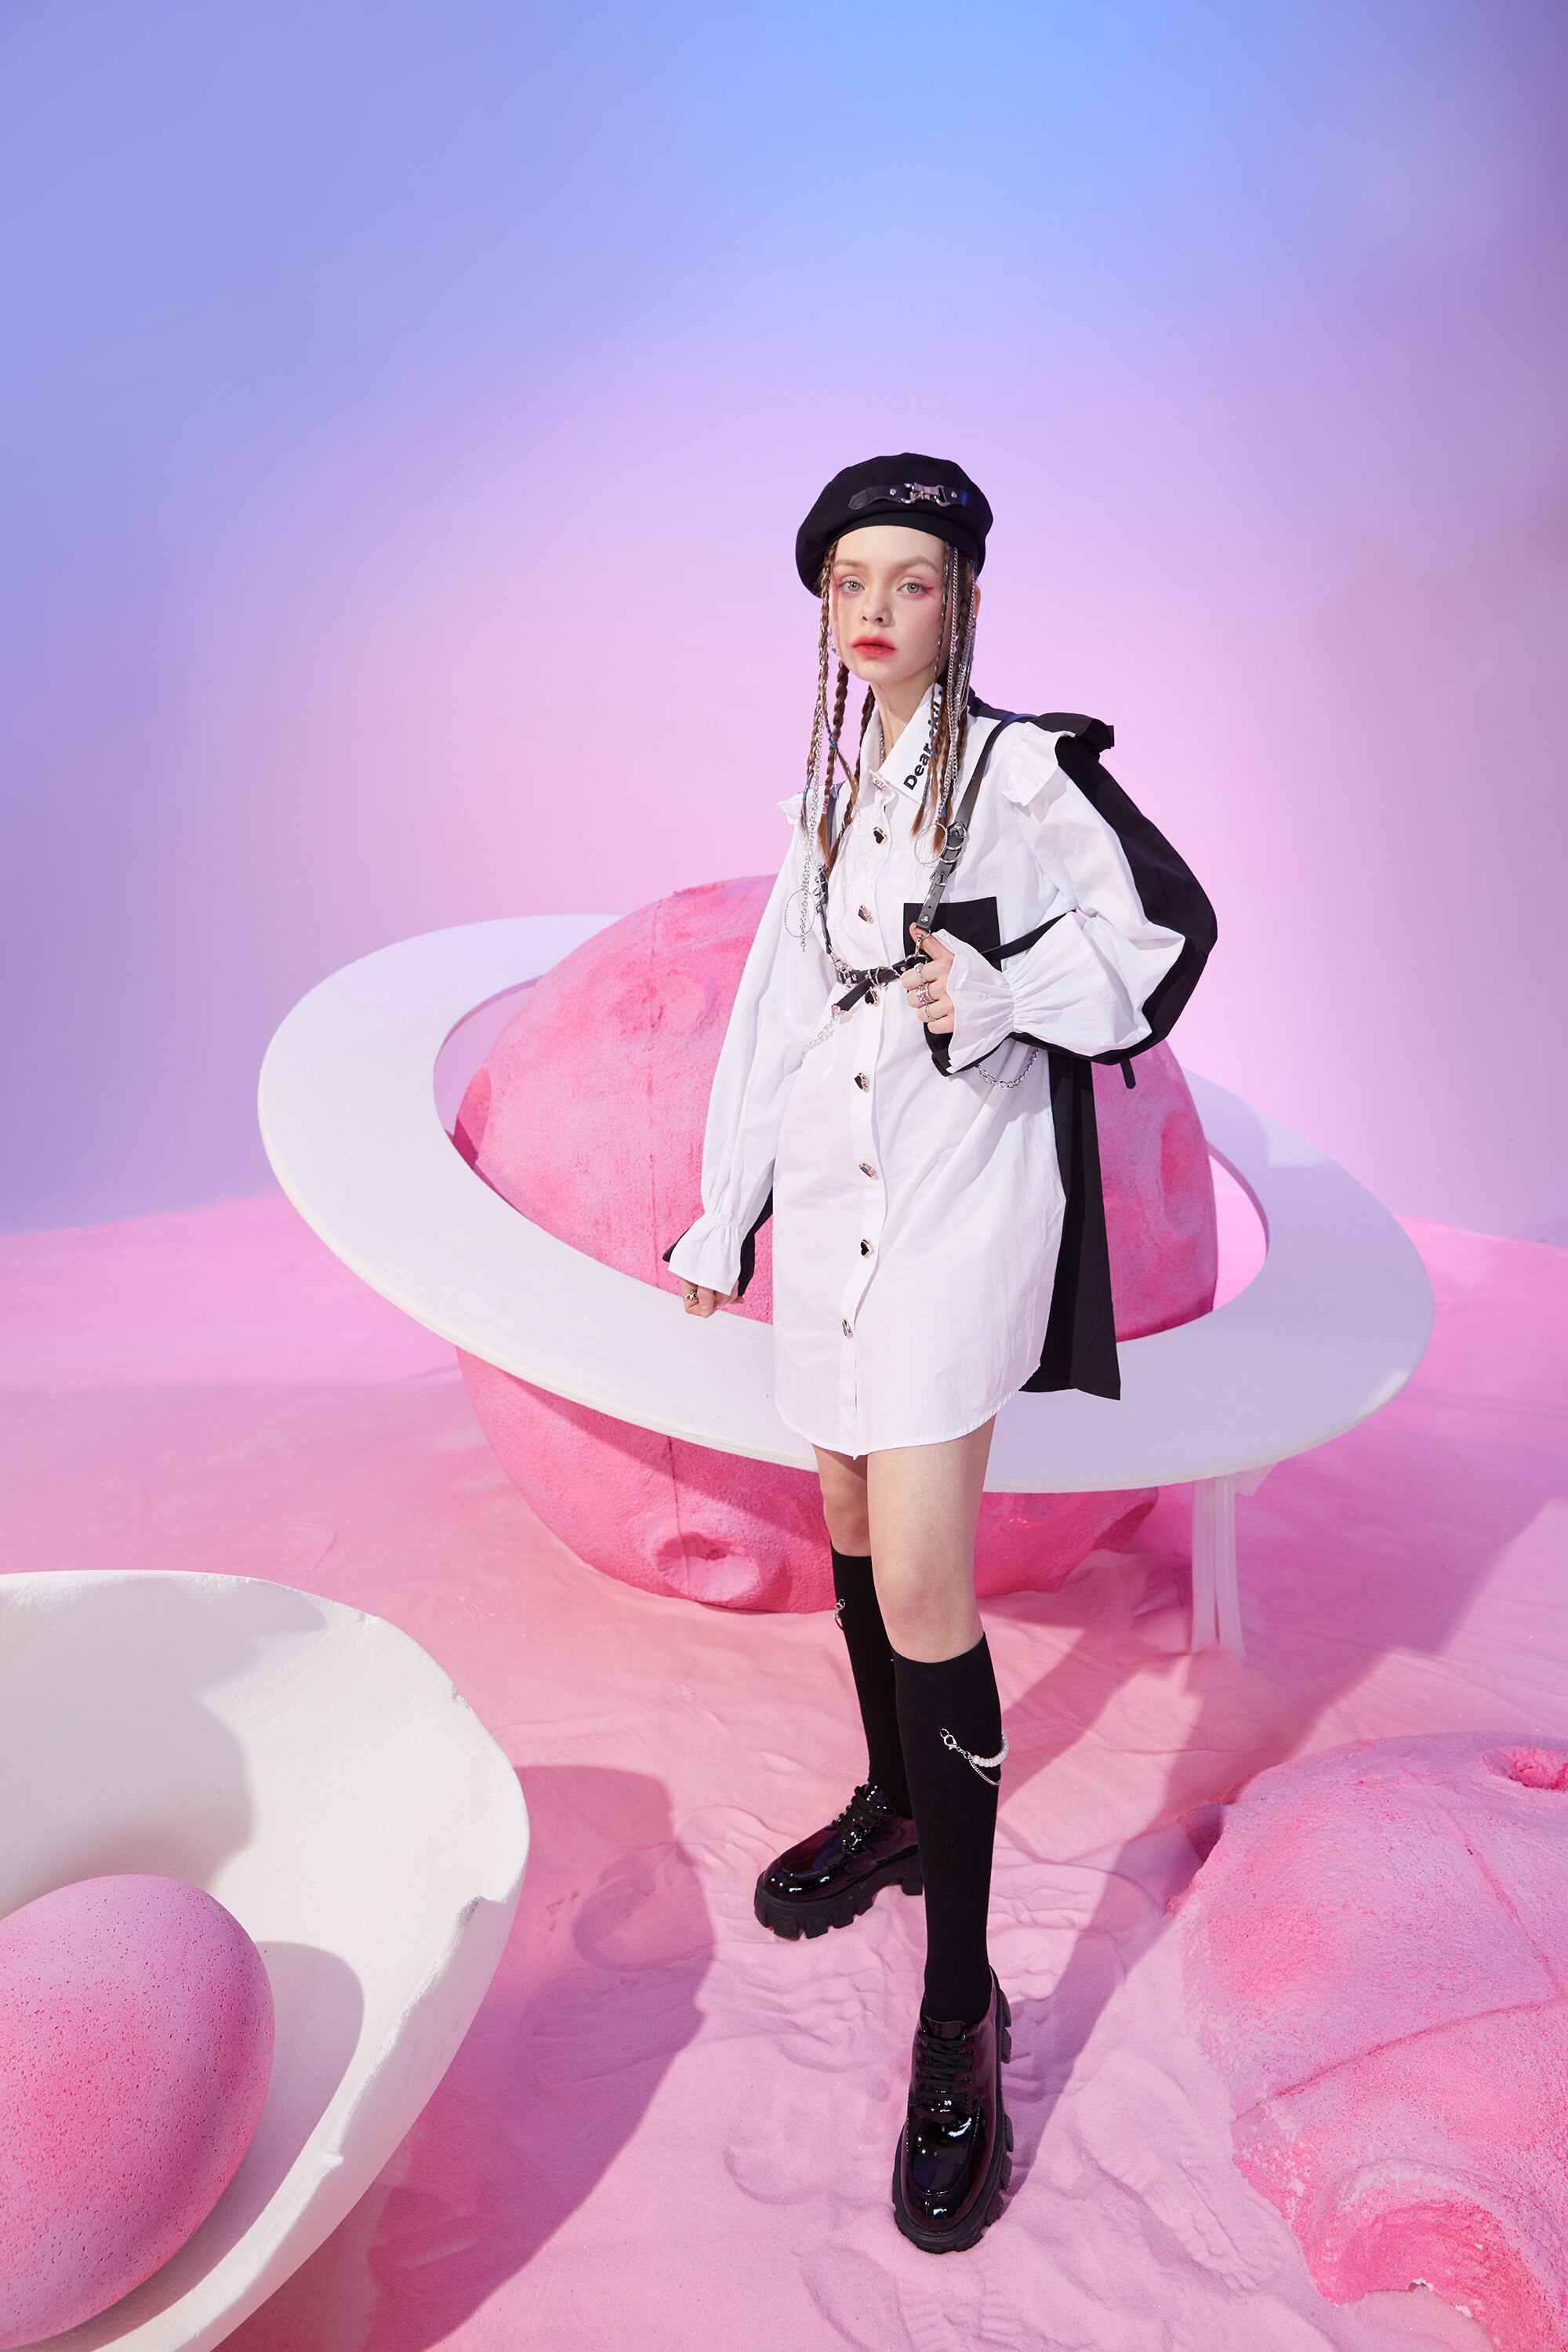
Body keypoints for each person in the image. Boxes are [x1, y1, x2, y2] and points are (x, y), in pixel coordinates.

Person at [664, 454, 1213, 2252]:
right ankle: (897, 1804)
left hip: (962, 1205)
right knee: (837, 1504)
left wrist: (998, 990)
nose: (878, 609)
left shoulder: (1025, 769)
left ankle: (958, 2009)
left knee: (919, 1575)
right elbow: (774, 1007)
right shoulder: (827, 792)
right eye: (851, 581)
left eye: (911, 578)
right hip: (836, 1193)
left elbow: (1160, 935)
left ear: (963, 598)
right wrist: (724, 1213)